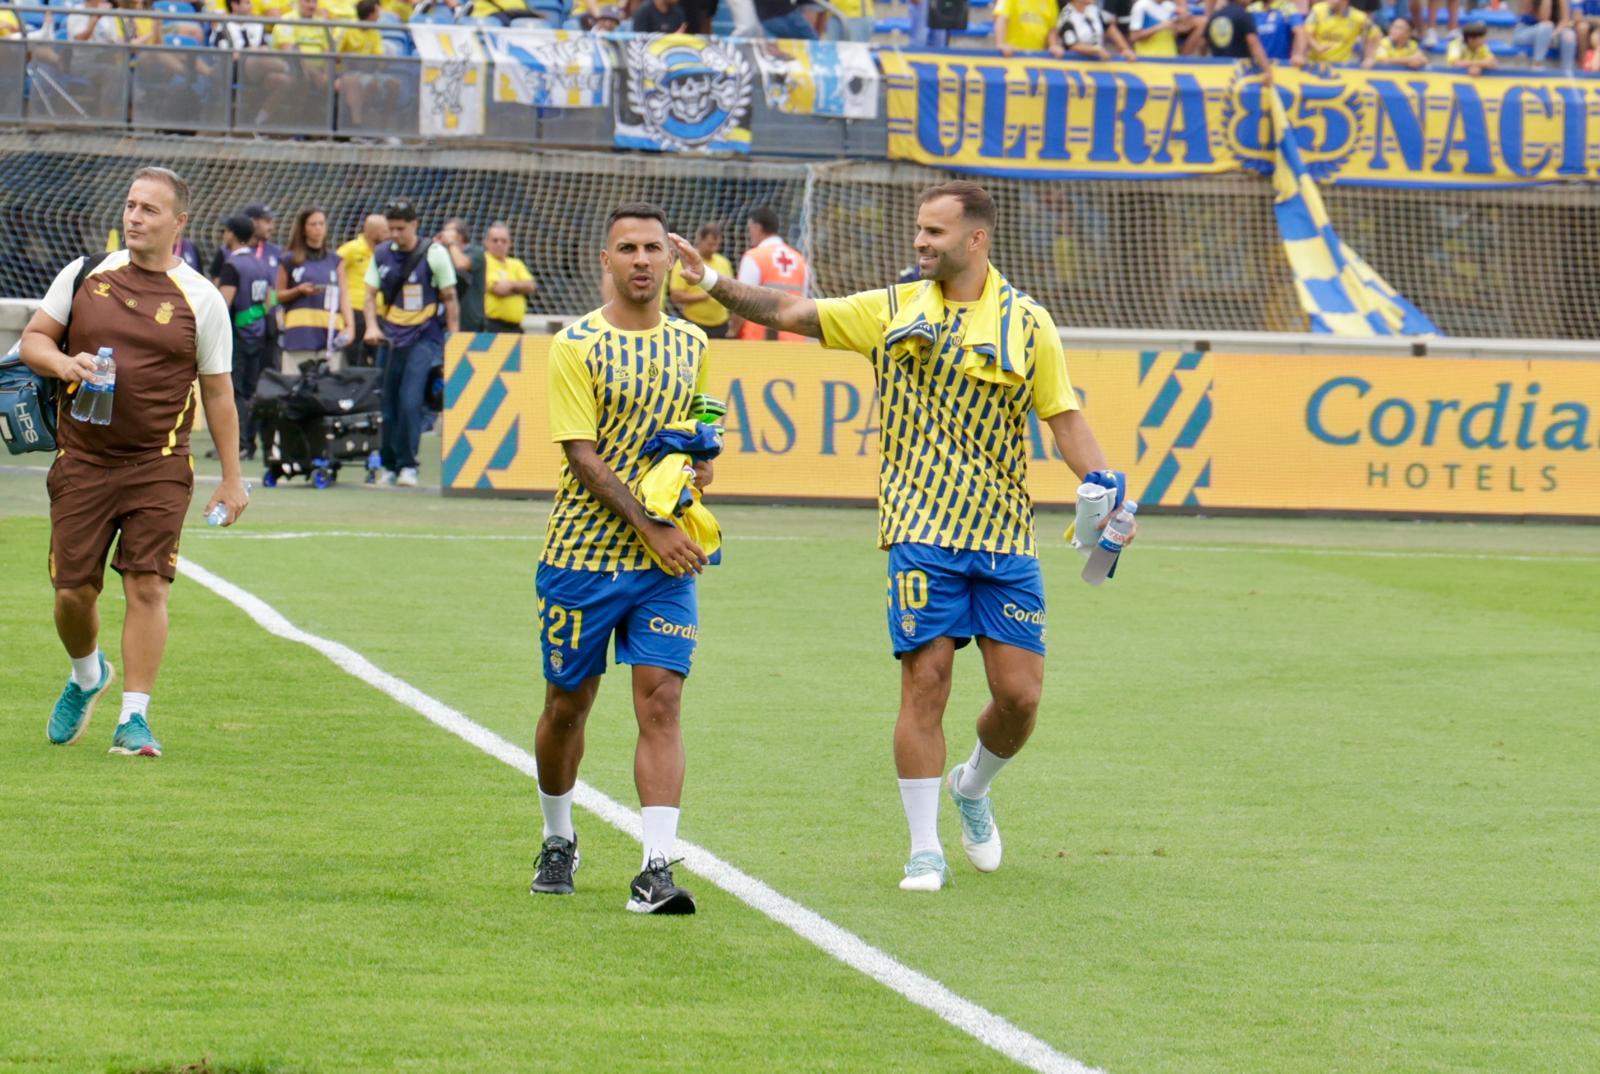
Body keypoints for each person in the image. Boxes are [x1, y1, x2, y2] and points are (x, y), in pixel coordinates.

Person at [667, 180, 1135, 892]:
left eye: (934, 233)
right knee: (926, 682)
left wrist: (1104, 487)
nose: (920, 242)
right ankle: (923, 849)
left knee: (1021, 698)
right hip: (920, 529)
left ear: (975, 240)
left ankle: (972, 787)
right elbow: (790, 309)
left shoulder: (1027, 322)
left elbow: (1063, 416)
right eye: (919, 230)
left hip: (1004, 536)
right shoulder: (890, 309)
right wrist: (713, 282)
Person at [17, 166, 245, 761]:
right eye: (130, 205)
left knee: (148, 585)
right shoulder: (86, 273)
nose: (135, 216)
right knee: (72, 593)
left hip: (159, 464)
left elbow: (218, 393)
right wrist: (65, 365)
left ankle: (134, 719)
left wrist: (232, 476)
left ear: (178, 223)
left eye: (149, 209)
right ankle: (88, 675)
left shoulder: (200, 298)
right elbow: (34, 341)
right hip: (83, 462)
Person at [530, 202, 712, 915]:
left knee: (662, 702)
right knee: (567, 707)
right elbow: (582, 458)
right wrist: (651, 526)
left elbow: (696, 428)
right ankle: (557, 835)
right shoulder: (576, 344)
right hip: (581, 556)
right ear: (604, 261)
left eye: (651, 249)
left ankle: (655, 867)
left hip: (663, 566)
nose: (641, 260)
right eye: (626, 249)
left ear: (670, 260)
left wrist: (700, 470)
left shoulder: (692, 343)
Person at [362, 198, 458, 488]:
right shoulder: (380, 254)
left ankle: (409, 465)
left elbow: (450, 297)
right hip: (390, 338)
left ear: (415, 224)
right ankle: (389, 466)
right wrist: (371, 326)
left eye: (401, 228)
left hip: (424, 337)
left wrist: (454, 338)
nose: (395, 234)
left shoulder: (435, 253)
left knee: (410, 401)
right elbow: (369, 295)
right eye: (391, 228)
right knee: (387, 403)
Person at [216, 213, 274, 460]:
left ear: (231, 233)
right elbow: (269, 300)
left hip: (237, 336)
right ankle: (251, 442)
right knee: (252, 391)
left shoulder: (232, 265)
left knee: (235, 391)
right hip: (258, 334)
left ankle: (237, 443)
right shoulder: (261, 263)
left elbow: (222, 304)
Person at [274, 206, 355, 372]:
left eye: (321, 224)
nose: (318, 228)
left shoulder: (335, 260)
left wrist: (350, 326)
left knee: (326, 387)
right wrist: (298, 290)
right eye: (313, 224)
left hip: (329, 333)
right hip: (299, 333)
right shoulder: (289, 259)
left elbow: (344, 295)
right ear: (303, 228)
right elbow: (277, 295)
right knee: (294, 384)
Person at [734, 206, 808, 341]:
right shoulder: (799, 260)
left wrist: (732, 330)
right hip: (794, 340)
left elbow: (741, 300)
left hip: (760, 339)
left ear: (757, 227)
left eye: (750, 228)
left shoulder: (754, 257)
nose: (750, 233)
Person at [337, 212, 388, 366]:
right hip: (356, 311)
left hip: (379, 313)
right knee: (356, 356)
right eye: (385, 231)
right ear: (374, 233)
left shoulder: (385, 253)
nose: (389, 234)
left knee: (379, 357)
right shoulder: (352, 249)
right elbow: (332, 268)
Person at [668, 222, 734, 338]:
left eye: (716, 245)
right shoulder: (684, 263)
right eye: (710, 244)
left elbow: (731, 292)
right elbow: (676, 296)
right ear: (700, 240)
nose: (713, 248)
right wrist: (705, 295)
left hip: (721, 325)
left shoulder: (724, 263)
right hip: (694, 323)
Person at [481, 222, 537, 334]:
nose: (499, 244)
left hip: (515, 327)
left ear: (509, 243)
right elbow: (499, 289)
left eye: (503, 241)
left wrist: (510, 286)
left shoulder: (516, 263)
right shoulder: (483, 261)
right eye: (495, 240)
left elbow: (531, 286)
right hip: (493, 326)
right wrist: (519, 288)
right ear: (486, 242)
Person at [1194, 0, 1274, 75]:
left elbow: (1202, 44)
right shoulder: (1244, 16)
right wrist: (1266, 70)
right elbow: (1253, 44)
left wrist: (1203, 59)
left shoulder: (1215, 16)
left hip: (1218, 71)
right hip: (1239, 72)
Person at [1292, 0, 1378, 65]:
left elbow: (1375, 36)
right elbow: (1306, 32)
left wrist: (1369, 57)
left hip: (1341, 67)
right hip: (1314, 64)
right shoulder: (1318, 10)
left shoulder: (1359, 18)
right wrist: (1316, 46)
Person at [438, 218, 484, 333]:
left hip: (469, 320)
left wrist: (451, 243)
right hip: (446, 318)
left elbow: (461, 264)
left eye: (449, 231)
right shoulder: (442, 253)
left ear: (460, 234)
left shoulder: (476, 252)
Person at [1049, 0, 1137, 59]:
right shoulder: (1066, 15)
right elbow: (1071, 44)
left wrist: (1125, 49)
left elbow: (1110, 29)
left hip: (1098, 65)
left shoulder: (1094, 10)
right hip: (1075, 64)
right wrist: (1096, 50)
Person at [1511, 0, 1578, 73]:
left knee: (1569, 35)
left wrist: (1554, 33)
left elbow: (1565, 20)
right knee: (1546, 26)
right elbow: (1544, 18)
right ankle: (1537, 64)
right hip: (1524, 32)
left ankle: (1567, 72)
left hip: (1550, 32)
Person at [993, 0, 1060, 54]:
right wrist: (1001, 43)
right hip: (1013, 55)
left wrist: (1053, 45)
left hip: (1037, 57)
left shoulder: (1051, 1)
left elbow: (1052, 27)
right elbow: (1001, 17)